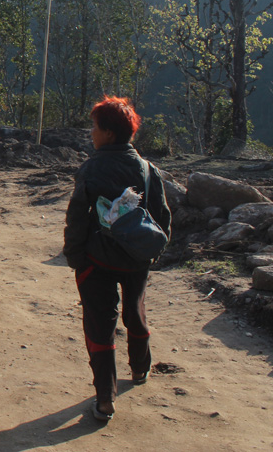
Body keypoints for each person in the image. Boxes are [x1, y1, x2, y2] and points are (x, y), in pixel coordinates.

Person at [62, 96, 171, 422]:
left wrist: (75, 257)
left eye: (95, 127)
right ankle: (140, 367)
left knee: (100, 325)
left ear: (109, 133)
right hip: (137, 260)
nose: (91, 132)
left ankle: (105, 399)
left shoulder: (92, 168)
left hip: (97, 262)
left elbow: (77, 217)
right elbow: (161, 217)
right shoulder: (148, 170)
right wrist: (151, 253)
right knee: (135, 311)